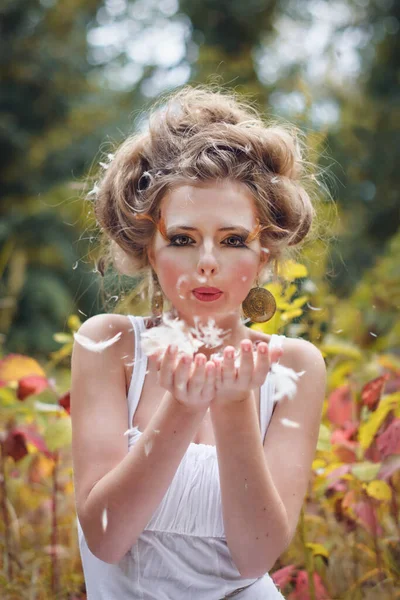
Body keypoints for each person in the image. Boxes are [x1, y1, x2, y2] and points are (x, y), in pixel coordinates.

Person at [70, 86, 327, 599]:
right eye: (183, 239)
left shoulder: (295, 366)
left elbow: (256, 557)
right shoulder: (108, 346)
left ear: (264, 254)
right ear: (148, 248)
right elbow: (105, 539)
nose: (207, 260)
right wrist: (182, 408)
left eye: (233, 240)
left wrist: (234, 408)